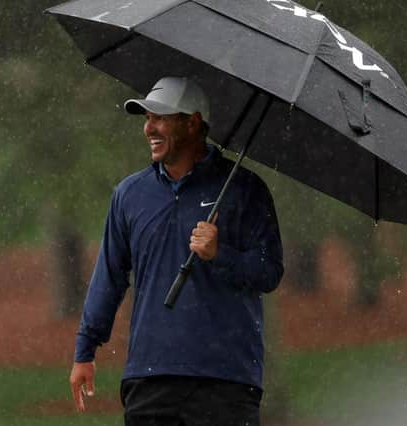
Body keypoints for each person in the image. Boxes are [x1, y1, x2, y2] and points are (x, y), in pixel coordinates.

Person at [69, 76, 284, 425]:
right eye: (146, 118)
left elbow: (270, 271)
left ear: (192, 122)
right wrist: (85, 350)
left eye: (160, 117)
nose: (149, 128)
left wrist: (220, 254)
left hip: (226, 379)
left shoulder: (245, 189)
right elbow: (109, 276)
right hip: (150, 376)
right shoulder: (130, 194)